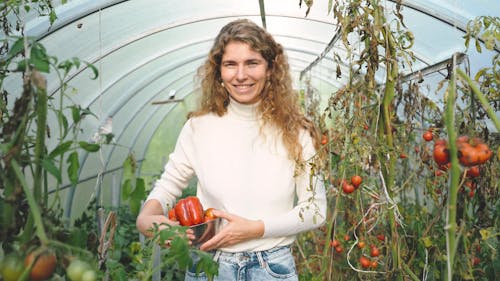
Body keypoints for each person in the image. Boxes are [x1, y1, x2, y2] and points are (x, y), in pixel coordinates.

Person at [136, 18, 327, 281]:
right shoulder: (199, 127)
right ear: (219, 72)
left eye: (252, 63)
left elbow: (316, 210)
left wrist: (256, 229)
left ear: (270, 69)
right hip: (209, 266)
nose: (240, 75)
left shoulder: (296, 132)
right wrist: (147, 215)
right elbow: (169, 185)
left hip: (270, 267)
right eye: (230, 64)